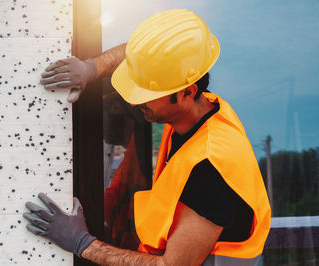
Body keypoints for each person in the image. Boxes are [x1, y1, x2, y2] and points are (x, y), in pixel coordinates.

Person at [24, 9, 271, 265]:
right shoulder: (195, 108)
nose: (134, 99)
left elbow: (172, 264)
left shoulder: (211, 168)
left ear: (188, 92)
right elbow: (139, 56)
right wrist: (92, 68)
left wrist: (82, 243)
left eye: (148, 93)